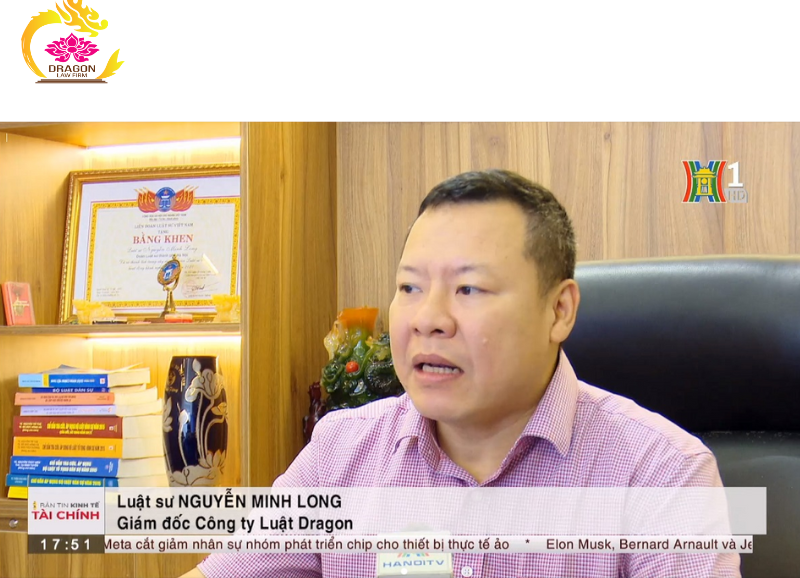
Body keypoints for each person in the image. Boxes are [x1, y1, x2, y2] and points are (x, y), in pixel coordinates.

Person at [183, 169, 740, 578]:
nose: (428, 318)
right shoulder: (341, 454)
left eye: (468, 288)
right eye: (410, 287)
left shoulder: (662, 474)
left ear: (559, 310)